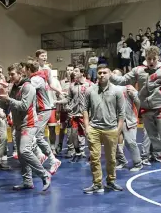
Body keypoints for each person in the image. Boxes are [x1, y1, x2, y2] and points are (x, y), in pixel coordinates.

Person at [110, 46, 161, 173]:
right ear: (145, 58)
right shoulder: (138, 70)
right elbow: (124, 80)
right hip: (146, 110)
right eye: (149, 58)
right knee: (152, 137)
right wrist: (111, 76)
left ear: (158, 58)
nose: (151, 61)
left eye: (154, 59)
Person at [0, 63, 51, 191]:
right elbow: (4, 106)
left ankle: (44, 174)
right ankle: (27, 181)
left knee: (24, 150)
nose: (10, 77)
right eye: (9, 74)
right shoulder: (13, 88)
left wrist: (8, 99)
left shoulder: (28, 87)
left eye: (13, 74)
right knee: (21, 156)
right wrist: (3, 98)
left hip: (29, 124)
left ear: (20, 74)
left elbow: (23, 106)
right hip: (18, 125)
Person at [83, 64, 125, 194]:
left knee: (111, 158)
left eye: (104, 72)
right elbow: (85, 109)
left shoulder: (117, 91)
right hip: (94, 129)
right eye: (99, 72)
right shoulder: (90, 90)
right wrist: (87, 127)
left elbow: (121, 113)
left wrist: (118, 131)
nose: (101, 75)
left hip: (111, 129)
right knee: (94, 158)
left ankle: (111, 181)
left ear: (110, 74)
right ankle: (97, 183)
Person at [24, 59, 61, 175]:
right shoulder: (38, 77)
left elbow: (26, 88)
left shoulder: (36, 79)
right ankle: (42, 155)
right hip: (41, 110)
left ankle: (51, 159)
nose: (24, 72)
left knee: (35, 135)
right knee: (35, 135)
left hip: (44, 110)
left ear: (29, 70)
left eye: (25, 70)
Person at [57, 64, 92, 162]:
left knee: (88, 135)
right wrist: (60, 102)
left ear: (82, 73)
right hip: (74, 114)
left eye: (76, 71)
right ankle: (78, 153)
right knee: (73, 135)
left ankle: (92, 154)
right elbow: (68, 99)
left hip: (85, 115)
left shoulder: (90, 84)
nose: (73, 73)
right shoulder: (72, 86)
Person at [112, 69, 142, 171]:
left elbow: (138, 103)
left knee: (130, 142)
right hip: (115, 119)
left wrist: (135, 114)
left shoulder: (128, 87)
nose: (112, 75)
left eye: (115, 73)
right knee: (113, 141)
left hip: (129, 119)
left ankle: (138, 163)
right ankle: (121, 161)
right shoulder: (109, 88)